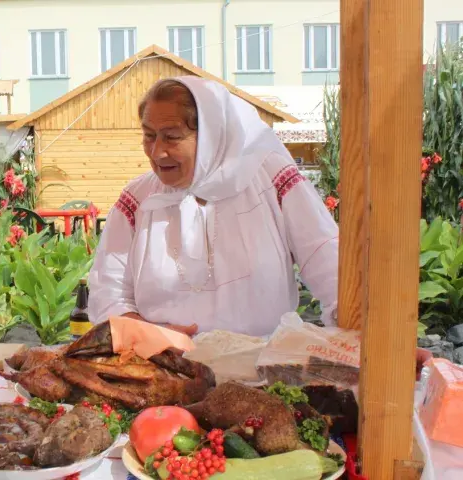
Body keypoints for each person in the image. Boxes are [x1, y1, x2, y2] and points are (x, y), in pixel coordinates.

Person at [88, 76, 432, 373]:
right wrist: (145, 335)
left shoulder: (270, 179)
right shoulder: (138, 200)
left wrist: (383, 348)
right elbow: (109, 292)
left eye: (172, 136)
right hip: (164, 374)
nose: (156, 152)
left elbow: (332, 267)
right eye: (149, 136)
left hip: (264, 376)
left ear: (211, 135)